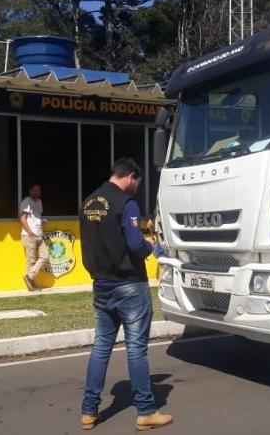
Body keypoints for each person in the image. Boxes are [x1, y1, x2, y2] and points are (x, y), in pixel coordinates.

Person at [78, 158, 172, 431]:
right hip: (129, 285)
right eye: (137, 182)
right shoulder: (126, 203)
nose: (137, 187)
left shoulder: (88, 203)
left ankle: (88, 411)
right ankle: (146, 411)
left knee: (101, 347)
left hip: (101, 284)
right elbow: (134, 244)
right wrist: (148, 246)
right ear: (131, 176)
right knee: (136, 349)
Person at [19, 183, 48, 291]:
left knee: (44, 257)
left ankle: (29, 276)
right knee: (31, 261)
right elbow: (22, 218)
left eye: (39, 190)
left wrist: (42, 221)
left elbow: (36, 217)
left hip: (39, 234)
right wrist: (30, 232)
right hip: (29, 235)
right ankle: (32, 285)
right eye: (35, 190)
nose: (37, 192)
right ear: (30, 191)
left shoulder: (39, 201)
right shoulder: (26, 202)